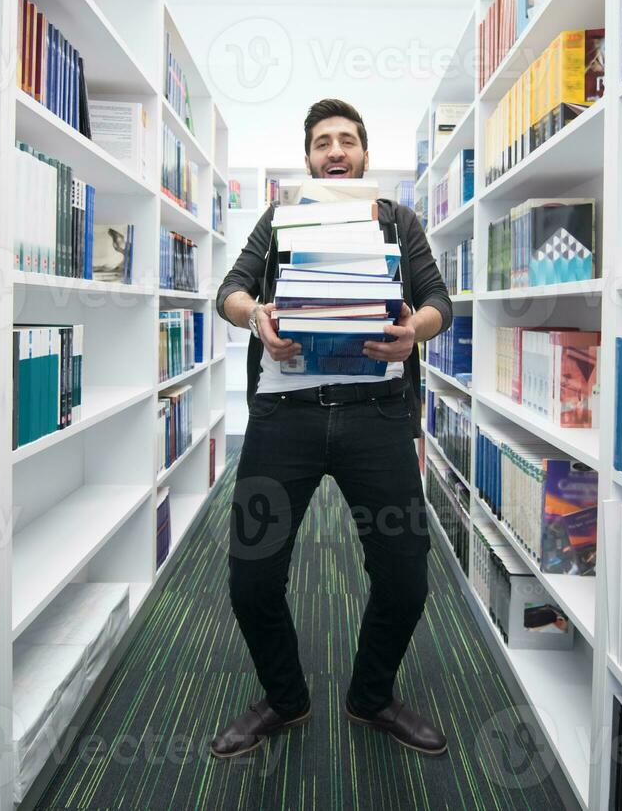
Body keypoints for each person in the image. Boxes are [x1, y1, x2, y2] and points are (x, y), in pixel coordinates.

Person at [210, 98, 453, 759]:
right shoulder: (279, 218)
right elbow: (228, 290)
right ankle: (284, 699)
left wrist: (415, 332)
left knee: (405, 574)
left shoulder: (399, 221)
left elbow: (439, 302)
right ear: (309, 158)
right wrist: (254, 314)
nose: (336, 151)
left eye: (347, 140)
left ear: (365, 155)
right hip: (281, 419)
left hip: (375, 419)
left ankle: (370, 696)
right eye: (323, 143)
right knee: (250, 577)